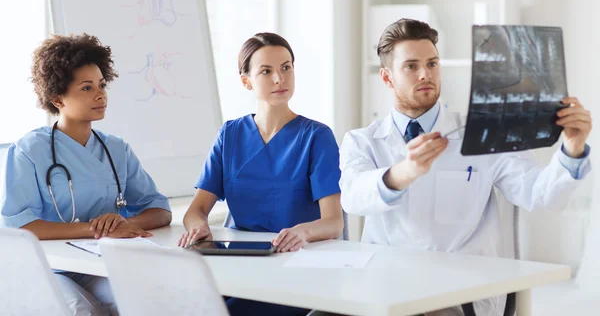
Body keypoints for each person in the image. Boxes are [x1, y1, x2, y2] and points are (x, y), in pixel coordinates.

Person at [339, 19, 592, 316]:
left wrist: (572, 151)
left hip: (459, 294)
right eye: (411, 66)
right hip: (386, 289)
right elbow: (353, 198)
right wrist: (403, 172)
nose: (425, 74)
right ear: (387, 78)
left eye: (432, 63)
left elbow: (541, 194)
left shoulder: (483, 132)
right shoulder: (362, 141)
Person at [1, 34, 172, 316]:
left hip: (102, 263)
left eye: (102, 85)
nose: (100, 94)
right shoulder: (29, 150)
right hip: (49, 267)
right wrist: (96, 228)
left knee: (141, 302)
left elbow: (160, 210)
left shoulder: (116, 148)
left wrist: (124, 223)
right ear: (57, 98)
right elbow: (21, 226)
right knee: (82, 311)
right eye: (86, 87)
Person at [178, 32, 343, 316]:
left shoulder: (317, 137)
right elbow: (196, 210)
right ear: (246, 81)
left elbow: (333, 223)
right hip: (236, 265)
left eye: (286, 68)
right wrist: (198, 227)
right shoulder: (229, 135)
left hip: (292, 266)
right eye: (266, 71)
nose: (279, 79)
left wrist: (301, 232)